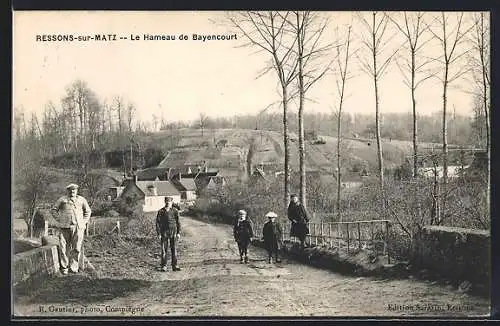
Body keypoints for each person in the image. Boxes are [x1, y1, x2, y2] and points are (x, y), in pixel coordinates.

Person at [52, 183, 91, 275]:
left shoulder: (81, 200)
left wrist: (83, 222)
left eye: (74, 190)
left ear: (77, 191)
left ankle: (74, 267)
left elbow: (88, 211)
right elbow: (54, 210)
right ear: (67, 191)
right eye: (70, 190)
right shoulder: (62, 199)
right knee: (64, 247)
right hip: (65, 226)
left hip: (78, 227)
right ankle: (64, 267)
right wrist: (60, 219)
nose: (72, 191)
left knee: (76, 247)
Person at [156, 196, 181, 272]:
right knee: (164, 250)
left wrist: (178, 232)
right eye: (166, 202)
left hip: (173, 232)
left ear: (171, 202)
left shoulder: (175, 211)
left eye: (169, 202)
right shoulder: (161, 211)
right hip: (164, 233)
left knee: (174, 249)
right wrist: (159, 233)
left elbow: (178, 222)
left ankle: (175, 265)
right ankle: (164, 266)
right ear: (165, 202)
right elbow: (157, 223)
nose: (168, 203)